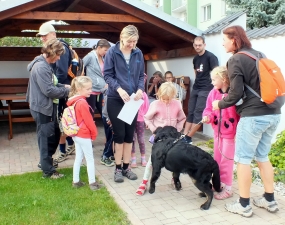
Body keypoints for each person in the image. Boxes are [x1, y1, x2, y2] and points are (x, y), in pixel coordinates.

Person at [212, 25, 281, 217]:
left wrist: (219, 104)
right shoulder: (259, 54)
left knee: (243, 160)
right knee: (263, 156)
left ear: (234, 40)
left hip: (253, 116)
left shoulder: (235, 59)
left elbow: (235, 94)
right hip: (273, 113)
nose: (223, 43)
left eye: (224, 40)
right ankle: (269, 200)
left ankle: (244, 205)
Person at [104, 25, 145, 183]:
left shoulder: (138, 53)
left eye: (134, 41)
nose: (132, 45)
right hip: (116, 99)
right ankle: (117, 169)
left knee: (129, 135)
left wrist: (140, 89)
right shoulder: (112, 52)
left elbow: (141, 75)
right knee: (119, 135)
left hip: (133, 101)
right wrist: (119, 89)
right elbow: (107, 75)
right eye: (129, 41)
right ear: (122, 38)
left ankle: (127, 167)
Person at [26, 39, 70, 179]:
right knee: (45, 139)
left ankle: (46, 163)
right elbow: (49, 91)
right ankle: (48, 171)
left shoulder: (45, 65)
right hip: (42, 108)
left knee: (55, 134)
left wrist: (64, 87)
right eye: (58, 55)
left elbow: (52, 85)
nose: (58, 58)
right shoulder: (41, 68)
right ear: (51, 52)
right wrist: (68, 91)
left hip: (46, 106)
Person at [136, 82, 186, 196]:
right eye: (164, 99)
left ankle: (175, 179)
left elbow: (182, 118)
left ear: (173, 95)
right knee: (152, 160)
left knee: (176, 159)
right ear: (159, 95)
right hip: (160, 138)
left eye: (168, 99)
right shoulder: (155, 104)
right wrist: (155, 130)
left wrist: (177, 130)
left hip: (173, 138)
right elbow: (147, 118)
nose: (166, 101)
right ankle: (144, 182)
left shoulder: (177, 104)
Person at [36, 22, 75, 163]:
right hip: (60, 91)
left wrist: (60, 90)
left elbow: (61, 72)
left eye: (44, 35)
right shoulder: (49, 53)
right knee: (63, 122)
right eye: (41, 36)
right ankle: (70, 146)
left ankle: (65, 150)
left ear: (53, 34)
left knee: (63, 122)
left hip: (61, 93)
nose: (42, 38)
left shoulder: (60, 49)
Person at [202, 66, 239, 200]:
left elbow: (240, 114)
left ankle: (228, 188)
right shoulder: (213, 92)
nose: (212, 82)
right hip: (217, 133)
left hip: (230, 134)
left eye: (214, 79)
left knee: (227, 160)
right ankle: (218, 184)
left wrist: (237, 131)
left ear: (223, 79)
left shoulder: (234, 93)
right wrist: (208, 117)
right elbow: (208, 109)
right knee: (217, 159)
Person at [67, 76, 104, 190]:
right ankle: (93, 183)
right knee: (90, 159)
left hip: (76, 134)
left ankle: (76, 181)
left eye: (91, 88)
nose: (90, 91)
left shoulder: (74, 100)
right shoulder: (82, 103)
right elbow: (89, 121)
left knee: (78, 158)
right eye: (88, 89)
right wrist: (94, 134)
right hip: (84, 134)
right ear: (79, 89)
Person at [183, 36, 219, 144]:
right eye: (196, 45)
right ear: (193, 45)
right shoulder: (195, 58)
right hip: (196, 87)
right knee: (190, 112)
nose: (198, 47)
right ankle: (184, 135)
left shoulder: (211, 57)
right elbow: (196, 72)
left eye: (200, 45)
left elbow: (216, 73)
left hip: (206, 88)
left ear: (204, 45)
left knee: (199, 113)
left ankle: (189, 137)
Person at [83, 39, 111, 118]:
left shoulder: (103, 58)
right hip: (91, 90)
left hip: (102, 90)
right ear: (98, 47)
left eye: (107, 51)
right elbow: (81, 65)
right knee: (90, 113)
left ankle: (108, 129)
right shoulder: (90, 56)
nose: (106, 52)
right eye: (105, 50)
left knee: (104, 113)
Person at [131, 74, 149, 168]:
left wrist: (147, 120)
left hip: (140, 120)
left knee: (141, 139)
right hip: (131, 120)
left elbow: (147, 108)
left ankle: (143, 158)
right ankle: (133, 158)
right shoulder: (130, 93)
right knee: (132, 140)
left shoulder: (144, 95)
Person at [100, 92, 115, 167]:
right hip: (108, 118)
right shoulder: (109, 93)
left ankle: (110, 154)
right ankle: (105, 156)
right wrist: (109, 118)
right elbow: (106, 109)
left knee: (110, 137)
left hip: (108, 117)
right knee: (110, 138)